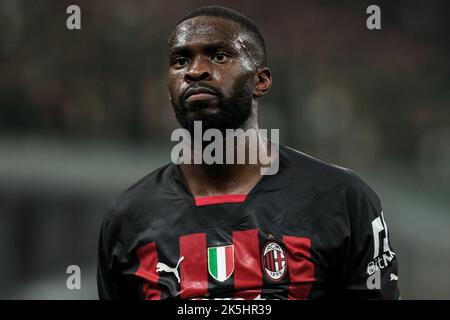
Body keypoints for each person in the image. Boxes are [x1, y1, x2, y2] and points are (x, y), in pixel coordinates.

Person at [97, 5, 400, 300]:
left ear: (261, 80)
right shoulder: (129, 217)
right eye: (180, 61)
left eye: (218, 56)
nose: (196, 70)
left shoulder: (341, 199)